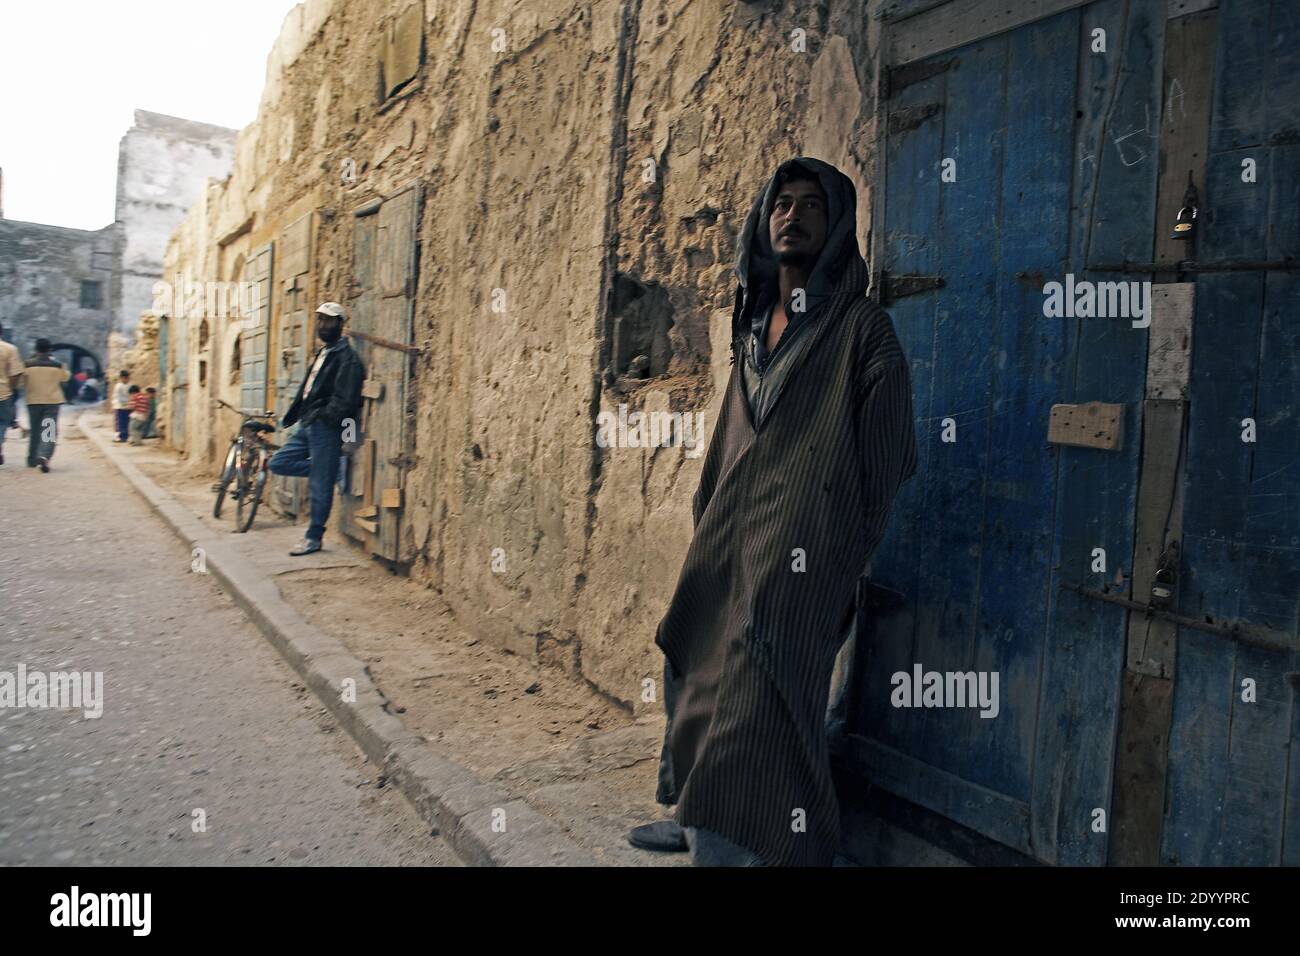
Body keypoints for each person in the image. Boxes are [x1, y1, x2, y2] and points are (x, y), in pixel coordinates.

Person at [632, 158, 918, 866]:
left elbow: (889, 456)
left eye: (812, 206)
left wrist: (835, 545)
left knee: (759, 701)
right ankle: (699, 816)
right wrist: (708, 516)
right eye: (781, 204)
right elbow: (733, 434)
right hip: (725, 537)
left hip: (798, 552)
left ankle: (742, 846)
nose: (793, 215)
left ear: (838, 226)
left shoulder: (864, 331)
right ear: (764, 225)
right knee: (692, 662)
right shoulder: (752, 325)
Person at [269, 302, 365, 556]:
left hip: (325, 427)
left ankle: (313, 537)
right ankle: (329, 470)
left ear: (340, 324)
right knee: (278, 462)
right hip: (308, 423)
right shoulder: (324, 352)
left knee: (320, 486)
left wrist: (324, 418)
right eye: (321, 320)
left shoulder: (348, 359)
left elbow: (346, 400)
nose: (324, 325)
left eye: (330, 321)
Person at [21, 338, 71, 473]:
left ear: (36, 349)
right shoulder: (57, 365)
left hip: (33, 401)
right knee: (48, 430)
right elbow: (66, 377)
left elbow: (21, 381)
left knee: (35, 430)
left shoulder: (27, 365)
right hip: (52, 402)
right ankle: (44, 456)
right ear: (49, 350)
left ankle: (32, 459)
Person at [0, 321, 23, 466]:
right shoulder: (10, 349)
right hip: (3, 393)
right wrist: (11, 388)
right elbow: (15, 373)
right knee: (2, 422)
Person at [112, 370, 132, 442]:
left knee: (126, 422)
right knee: (120, 422)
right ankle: (121, 436)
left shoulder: (130, 385)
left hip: (127, 407)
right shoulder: (118, 386)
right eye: (124, 378)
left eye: (127, 377)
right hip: (120, 406)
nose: (125, 379)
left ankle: (125, 436)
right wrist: (126, 402)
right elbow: (118, 397)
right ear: (121, 378)